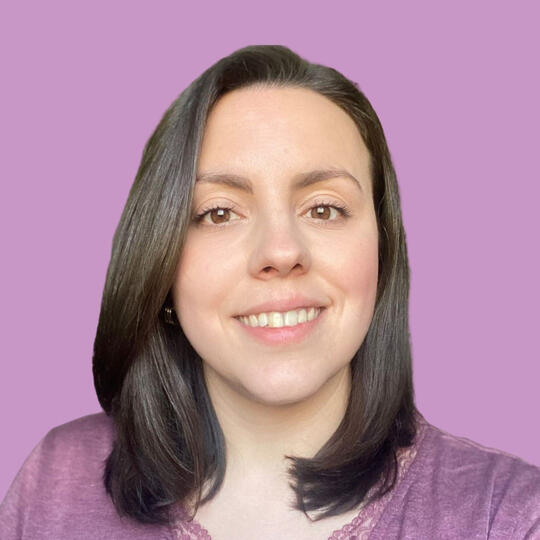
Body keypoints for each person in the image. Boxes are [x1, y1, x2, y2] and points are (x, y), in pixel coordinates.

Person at [1, 44, 539, 540]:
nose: (281, 252)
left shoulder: (508, 516)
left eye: (324, 208)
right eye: (219, 213)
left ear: (382, 251)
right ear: (160, 265)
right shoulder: (55, 479)